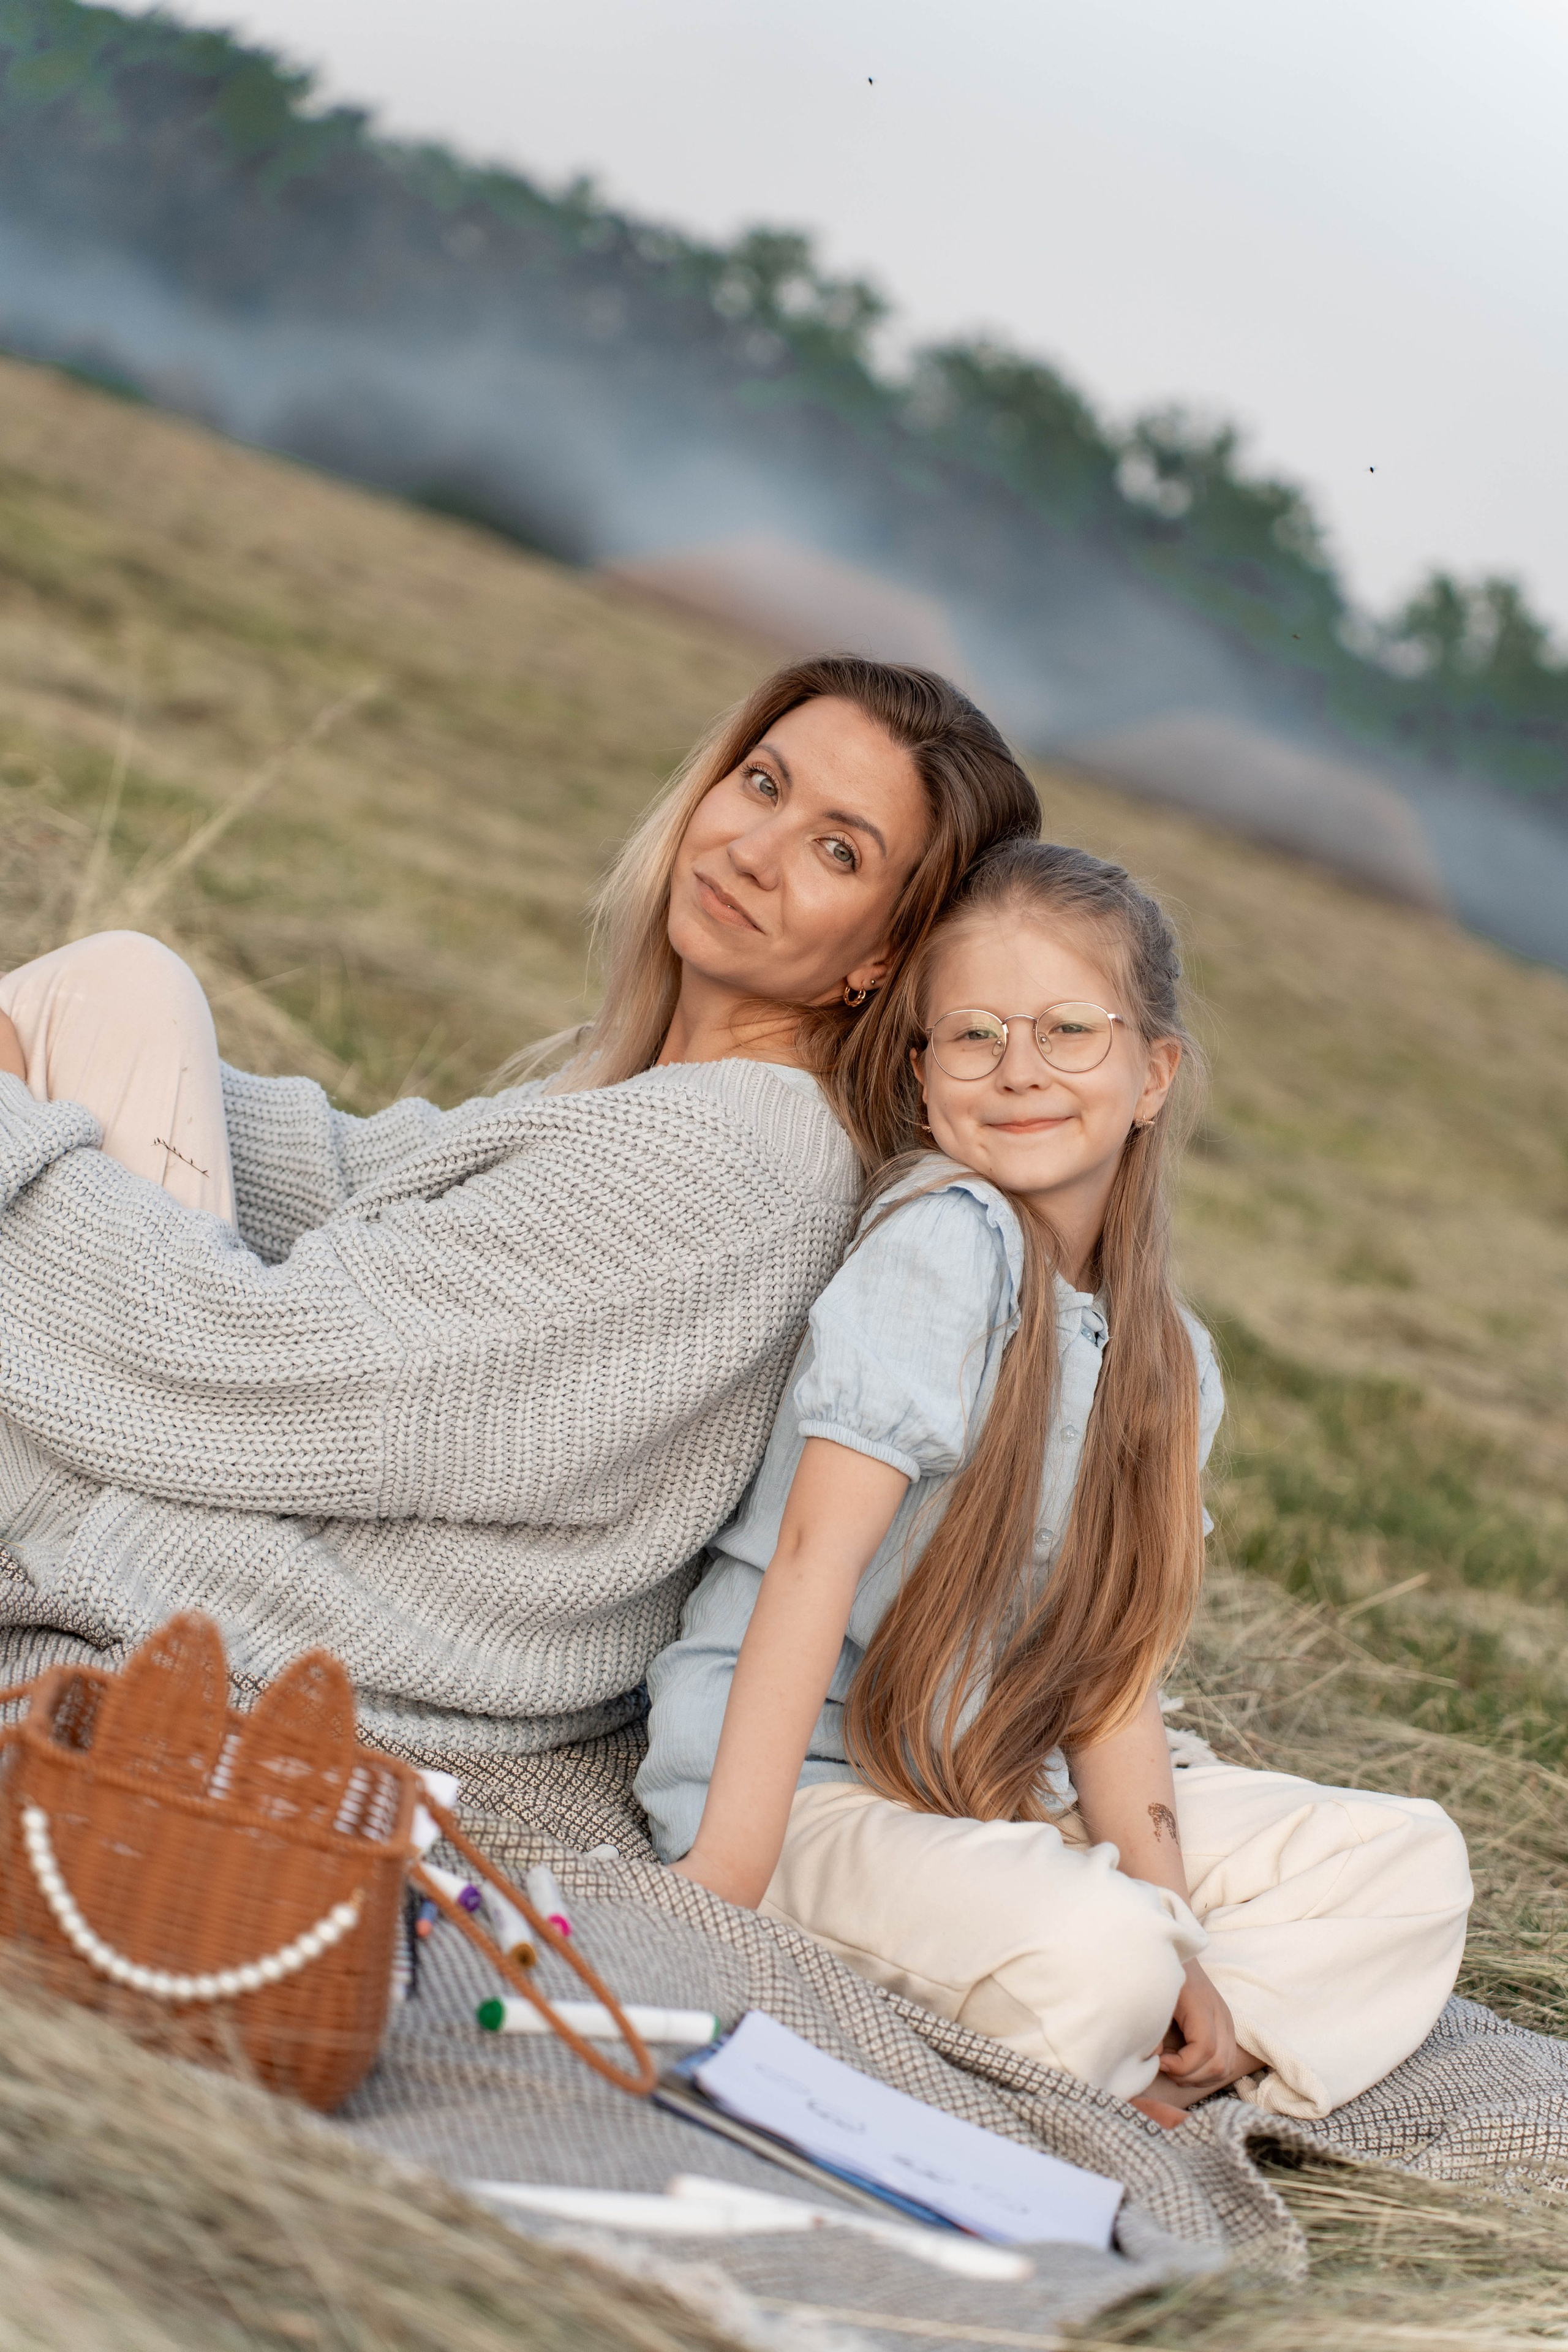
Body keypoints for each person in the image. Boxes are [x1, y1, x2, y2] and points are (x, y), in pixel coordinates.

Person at [0, 658, 1039, 1772]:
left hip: (315, 1608)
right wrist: (58, 1081)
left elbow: (272, 1366)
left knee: (91, 1023)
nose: (754, 850)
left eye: (839, 850)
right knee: (120, 988)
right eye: (763, 784)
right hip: (311, 1492)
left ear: (885, 955)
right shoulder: (659, 1091)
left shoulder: (738, 1153)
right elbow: (366, 1180)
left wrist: (20, 1138)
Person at [639, 840, 1472, 2123]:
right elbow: (808, 1562)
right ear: (921, 1078)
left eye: (1066, 1029)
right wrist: (729, 1868)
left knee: (1405, 1862)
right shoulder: (938, 1248)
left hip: (995, 1772)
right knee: (1097, 1951)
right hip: (810, 1781)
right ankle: (1111, 2047)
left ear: (1150, 1074)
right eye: (970, 1036)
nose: (1018, 1068)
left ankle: (1166, 2044)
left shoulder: (1165, 1357)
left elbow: (1105, 1678)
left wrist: (1185, 1935)